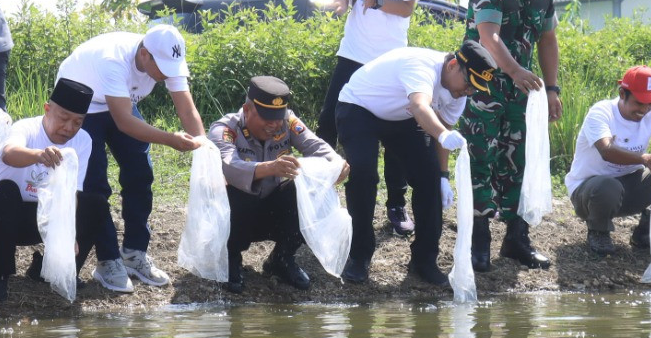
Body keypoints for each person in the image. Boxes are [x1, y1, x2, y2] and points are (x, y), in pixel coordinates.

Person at [55, 24, 205, 293]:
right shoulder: (113, 61)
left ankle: (134, 253)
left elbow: (186, 108)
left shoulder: (166, 59)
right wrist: (171, 139)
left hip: (118, 100)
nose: (166, 75)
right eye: (162, 69)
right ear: (145, 54)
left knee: (140, 172)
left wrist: (204, 149)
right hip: (83, 103)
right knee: (95, 183)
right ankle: (108, 260)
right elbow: (124, 122)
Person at [336, 41, 496, 286]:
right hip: (359, 107)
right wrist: (441, 134)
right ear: (453, 65)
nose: (469, 92)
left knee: (429, 178)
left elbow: (445, 128)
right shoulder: (421, 66)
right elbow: (420, 106)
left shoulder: (459, 90)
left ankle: (424, 260)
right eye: (468, 84)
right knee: (364, 175)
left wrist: (443, 175)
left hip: (401, 117)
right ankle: (358, 255)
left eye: (475, 88)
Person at [318, 0, 421, 237]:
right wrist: (339, 3)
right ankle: (319, 192)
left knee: (396, 131)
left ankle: (396, 204)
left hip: (392, 57)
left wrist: (376, 2)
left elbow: (407, 7)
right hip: (354, 52)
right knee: (328, 120)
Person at [462, 0, 562, 272]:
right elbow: (488, 38)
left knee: (520, 158)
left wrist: (552, 89)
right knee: (481, 157)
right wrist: (516, 70)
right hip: (481, 88)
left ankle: (517, 239)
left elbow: (548, 41)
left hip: (522, 94)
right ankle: (479, 239)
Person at [209, 75, 346, 294]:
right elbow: (229, 167)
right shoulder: (225, 129)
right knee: (237, 189)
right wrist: (269, 168)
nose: (273, 124)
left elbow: (315, 145)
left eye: (277, 117)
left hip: (271, 210)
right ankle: (230, 257)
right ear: (247, 109)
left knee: (306, 186)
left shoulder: (288, 122)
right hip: (234, 215)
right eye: (266, 117)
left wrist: (337, 164)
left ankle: (281, 259)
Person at [0, 78, 96, 302]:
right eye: (64, 119)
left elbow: (72, 192)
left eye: (77, 122)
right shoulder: (26, 128)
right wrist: (39, 155)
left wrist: (70, 232)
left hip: (42, 219)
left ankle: (54, 270)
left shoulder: (83, 141)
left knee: (94, 203)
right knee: (7, 190)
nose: (69, 128)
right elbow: (9, 153)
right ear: (47, 109)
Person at [564, 66, 651, 256]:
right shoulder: (601, 112)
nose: (644, 109)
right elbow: (606, 151)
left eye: (650, 103)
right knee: (608, 186)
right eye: (639, 103)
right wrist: (643, 158)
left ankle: (646, 231)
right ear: (622, 93)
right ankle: (598, 231)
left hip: (629, 188)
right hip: (589, 193)